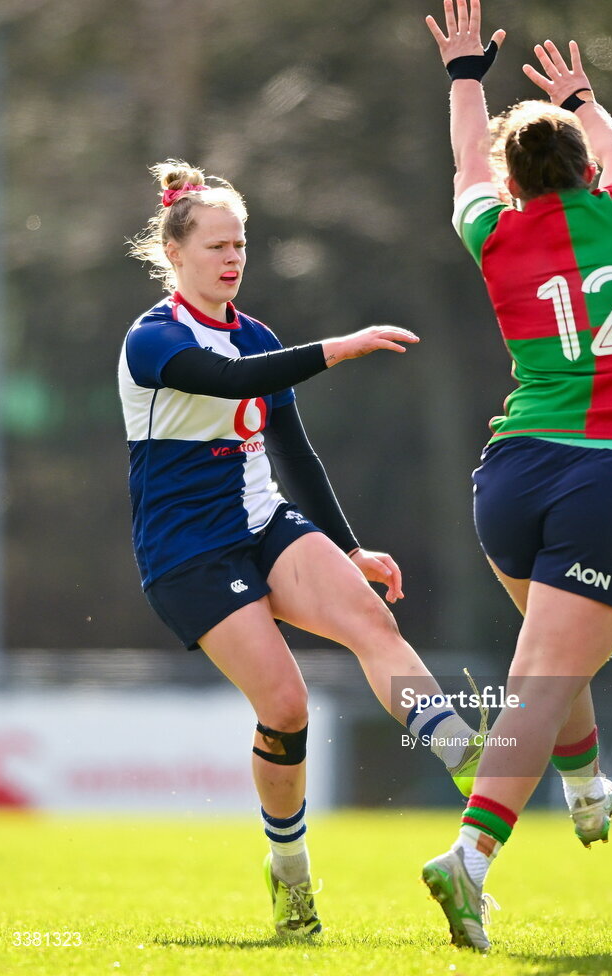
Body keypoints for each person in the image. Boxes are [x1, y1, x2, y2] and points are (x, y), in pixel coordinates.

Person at [119, 160, 484, 939]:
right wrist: (338, 349)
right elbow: (227, 380)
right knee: (286, 707)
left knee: (370, 622)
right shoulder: (152, 340)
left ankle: (466, 757)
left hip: (263, 523)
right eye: (216, 245)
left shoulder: (257, 333)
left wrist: (349, 549)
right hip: (189, 554)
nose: (232, 258)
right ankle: (289, 871)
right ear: (175, 254)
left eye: (240, 244)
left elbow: (296, 452)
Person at [422, 0, 612, 951]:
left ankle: (583, 786)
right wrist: (582, 93)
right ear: (585, 171)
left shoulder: (493, 232)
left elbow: (464, 163)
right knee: (540, 675)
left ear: (514, 180)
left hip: (510, 477)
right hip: (607, 476)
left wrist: (463, 79)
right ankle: (470, 859)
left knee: (547, 657)